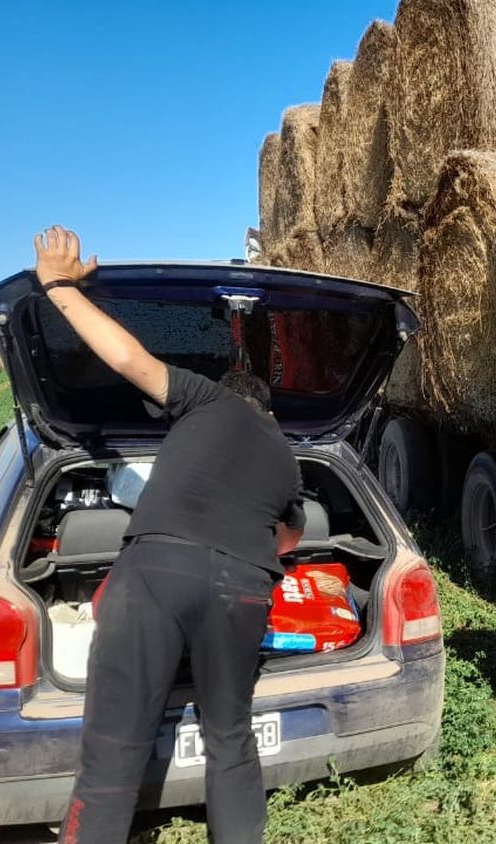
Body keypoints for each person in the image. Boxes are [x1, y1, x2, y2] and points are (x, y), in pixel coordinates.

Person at [35, 226, 306, 844]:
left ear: (230, 392)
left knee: (113, 753)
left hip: (154, 574)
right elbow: (288, 539)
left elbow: (130, 359)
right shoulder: (287, 458)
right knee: (231, 739)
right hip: (240, 588)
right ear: (268, 410)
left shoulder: (204, 399)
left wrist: (59, 288)